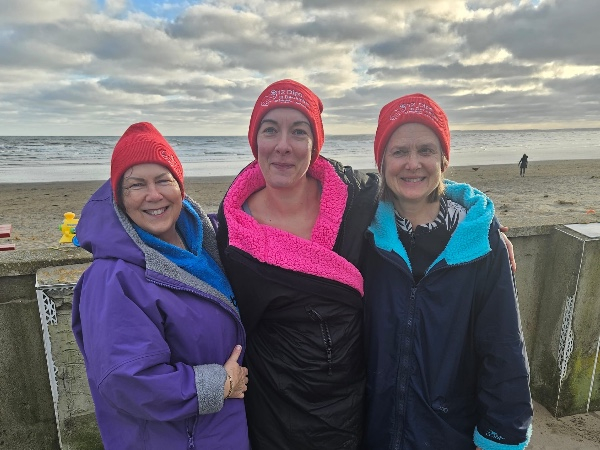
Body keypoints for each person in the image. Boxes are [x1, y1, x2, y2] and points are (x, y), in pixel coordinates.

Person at [362, 94, 533, 449]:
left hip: (448, 433)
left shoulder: (478, 242)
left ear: (443, 159)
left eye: (425, 150)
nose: (412, 164)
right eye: (399, 151)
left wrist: (503, 435)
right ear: (381, 162)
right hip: (371, 430)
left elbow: (503, 346)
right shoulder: (361, 233)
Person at [216, 79, 380, 449]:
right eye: (270, 130)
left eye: (299, 131)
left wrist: (479, 217)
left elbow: (413, 189)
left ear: (315, 144)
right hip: (272, 398)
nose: (283, 145)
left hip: (348, 393)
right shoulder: (235, 225)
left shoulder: (356, 200)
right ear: (255, 140)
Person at [71, 122, 250, 449]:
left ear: (180, 186)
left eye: (163, 180)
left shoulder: (209, 243)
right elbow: (126, 379)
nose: (153, 195)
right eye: (136, 184)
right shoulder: (112, 279)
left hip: (223, 431)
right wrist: (219, 383)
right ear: (119, 197)